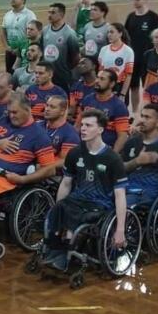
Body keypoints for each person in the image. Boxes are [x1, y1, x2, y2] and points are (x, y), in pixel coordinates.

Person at [43, 109, 128, 271]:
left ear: (101, 130)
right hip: (77, 199)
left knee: (73, 217)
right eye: (82, 125)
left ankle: (66, 254)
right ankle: (52, 251)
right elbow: (66, 183)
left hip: (99, 204)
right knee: (58, 209)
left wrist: (120, 230)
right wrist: (58, 205)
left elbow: (120, 195)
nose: (83, 128)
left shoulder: (113, 159)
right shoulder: (75, 153)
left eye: (88, 125)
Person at [0, 91, 57, 185]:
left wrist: (23, 179)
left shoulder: (39, 135)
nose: (11, 116)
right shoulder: (3, 120)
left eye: (15, 112)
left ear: (28, 110)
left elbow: (50, 170)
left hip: (3, 181)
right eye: (9, 112)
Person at [76, 69, 129, 153]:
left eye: (102, 79)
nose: (97, 81)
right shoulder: (87, 99)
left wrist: (112, 157)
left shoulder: (119, 106)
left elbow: (122, 136)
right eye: (97, 77)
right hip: (84, 147)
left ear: (111, 84)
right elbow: (78, 125)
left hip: (105, 150)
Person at [124, 0, 158, 111]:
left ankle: (148, 111)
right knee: (133, 86)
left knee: (149, 87)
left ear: (145, 0)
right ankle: (135, 112)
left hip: (148, 59)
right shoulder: (130, 17)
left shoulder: (153, 17)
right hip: (133, 58)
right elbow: (126, 37)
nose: (135, 2)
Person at [42, 2, 79, 93]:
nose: (49, 15)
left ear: (61, 14)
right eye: (49, 12)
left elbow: (76, 57)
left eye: (53, 13)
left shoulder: (69, 34)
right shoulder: (45, 30)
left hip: (63, 76)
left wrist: (66, 68)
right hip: (47, 75)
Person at [39, 95, 80, 170]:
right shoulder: (37, 126)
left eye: (52, 107)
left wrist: (41, 165)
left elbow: (65, 161)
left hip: (52, 174)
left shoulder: (70, 133)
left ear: (62, 112)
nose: (47, 109)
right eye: (47, 105)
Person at [1, 0, 36, 73]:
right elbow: (3, 31)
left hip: (24, 52)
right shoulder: (7, 15)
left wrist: (21, 49)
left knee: (22, 74)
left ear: (23, 0)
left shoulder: (29, 15)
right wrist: (7, 47)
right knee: (9, 74)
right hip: (10, 51)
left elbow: (33, 33)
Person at [98, 22, 134, 100]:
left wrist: (123, 94)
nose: (109, 35)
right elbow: (100, 71)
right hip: (105, 86)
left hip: (119, 86)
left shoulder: (128, 51)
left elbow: (128, 75)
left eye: (112, 32)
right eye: (108, 32)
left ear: (120, 33)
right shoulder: (103, 49)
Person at [69, 57, 98, 121]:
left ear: (93, 66)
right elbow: (72, 107)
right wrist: (69, 116)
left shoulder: (100, 86)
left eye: (83, 63)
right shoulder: (76, 86)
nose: (79, 66)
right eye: (79, 64)